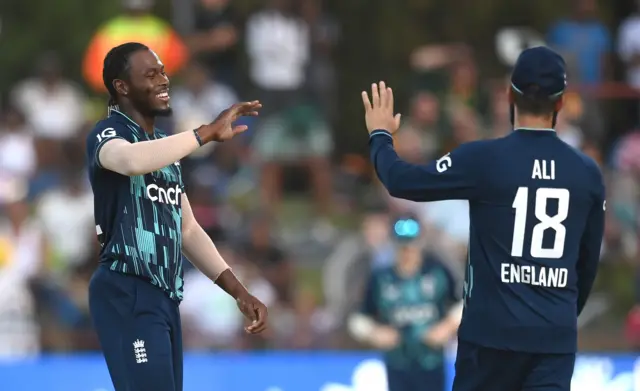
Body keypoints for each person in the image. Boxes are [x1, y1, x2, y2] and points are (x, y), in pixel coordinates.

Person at [362, 46, 605, 391]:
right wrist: (558, 314)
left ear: (510, 95)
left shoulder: (485, 159)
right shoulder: (587, 173)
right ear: (560, 103)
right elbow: (587, 264)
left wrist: (380, 136)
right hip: (553, 338)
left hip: (490, 339)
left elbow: (401, 181)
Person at [85, 42, 267, 391]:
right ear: (121, 87)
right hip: (127, 288)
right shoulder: (108, 133)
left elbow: (188, 229)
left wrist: (239, 291)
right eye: (150, 74)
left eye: (163, 72)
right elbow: (130, 160)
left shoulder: (166, 145)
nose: (164, 80)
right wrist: (204, 134)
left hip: (164, 295)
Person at [347, 215, 462, 391]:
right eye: (402, 246)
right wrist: (375, 333)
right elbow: (359, 318)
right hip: (397, 363)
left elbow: (462, 304)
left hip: (431, 361)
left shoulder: (437, 272)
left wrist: (447, 326)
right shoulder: (381, 278)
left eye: (411, 245)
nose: (407, 251)